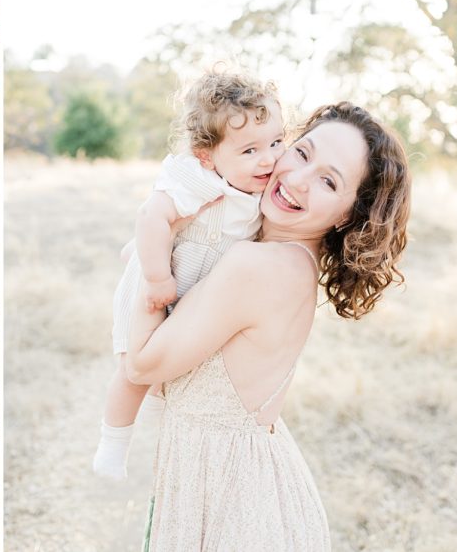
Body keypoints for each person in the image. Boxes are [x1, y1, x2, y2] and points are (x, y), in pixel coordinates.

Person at [126, 102, 411, 551]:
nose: (297, 179)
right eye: (301, 153)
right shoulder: (294, 262)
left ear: (345, 216)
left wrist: (156, 239)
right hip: (249, 486)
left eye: (328, 180)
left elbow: (142, 365)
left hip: (233, 507)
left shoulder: (258, 267)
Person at [93, 72, 286, 480]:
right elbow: (151, 216)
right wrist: (157, 275)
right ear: (206, 155)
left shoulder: (263, 188)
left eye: (275, 142)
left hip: (198, 294)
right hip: (164, 283)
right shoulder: (196, 178)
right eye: (250, 150)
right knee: (133, 373)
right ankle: (112, 446)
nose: (268, 158)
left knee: (171, 373)